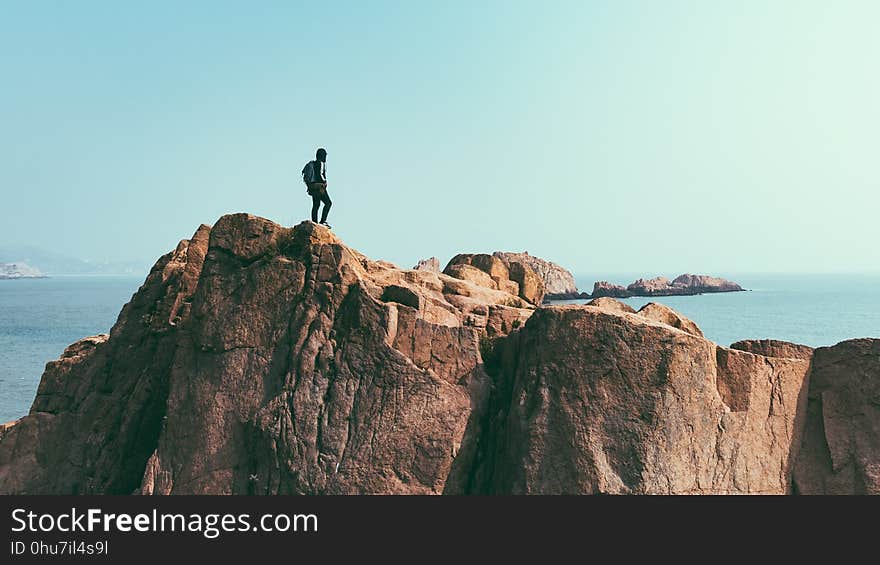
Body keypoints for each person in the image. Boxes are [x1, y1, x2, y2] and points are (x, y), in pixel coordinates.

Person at [302, 147, 331, 228]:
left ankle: (314, 223)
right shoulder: (321, 163)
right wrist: (324, 182)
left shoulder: (313, 163)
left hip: (313, 186)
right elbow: (320, 174)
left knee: (316, 205)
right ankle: (323, 221)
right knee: (328, 203)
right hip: (319, 186)